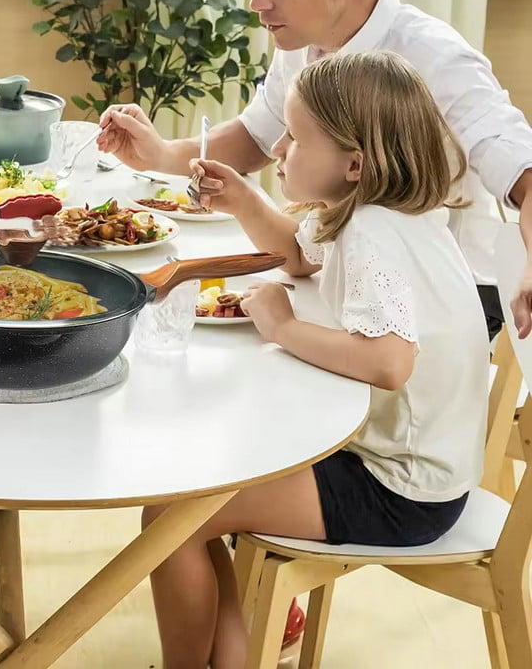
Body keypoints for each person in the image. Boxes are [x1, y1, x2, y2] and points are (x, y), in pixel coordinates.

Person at [147, 51, 488, 668]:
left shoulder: (373, 234)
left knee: (172, 513)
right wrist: (244, 201)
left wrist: (281, 325)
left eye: (296, 138)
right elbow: (300, 257)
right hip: (427, 469)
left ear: (354, 164)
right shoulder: (389, 216)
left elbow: (389, 361)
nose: (278, 148)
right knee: (194, 494)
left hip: (401, 489)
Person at [98, 0, 532, 343]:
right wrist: (162, 154)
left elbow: (525, 174)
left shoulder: (438, 60)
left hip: (446, 307)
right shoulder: (303, 35)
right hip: (348, 283)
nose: (257, 2)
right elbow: (257, 137)